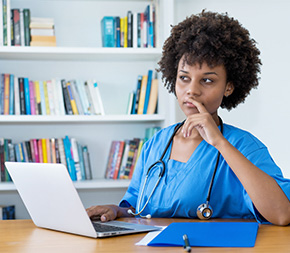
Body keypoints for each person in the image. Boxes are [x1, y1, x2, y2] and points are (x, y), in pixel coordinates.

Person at [87, 10, 290, 225]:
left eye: (207, 81)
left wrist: (219, 143)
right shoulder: (156, 144)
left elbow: (282, 214)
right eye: (184, 78)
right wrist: (116, 210)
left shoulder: (244, 146)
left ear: (229, 87)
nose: (191, 90)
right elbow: (139, 209)